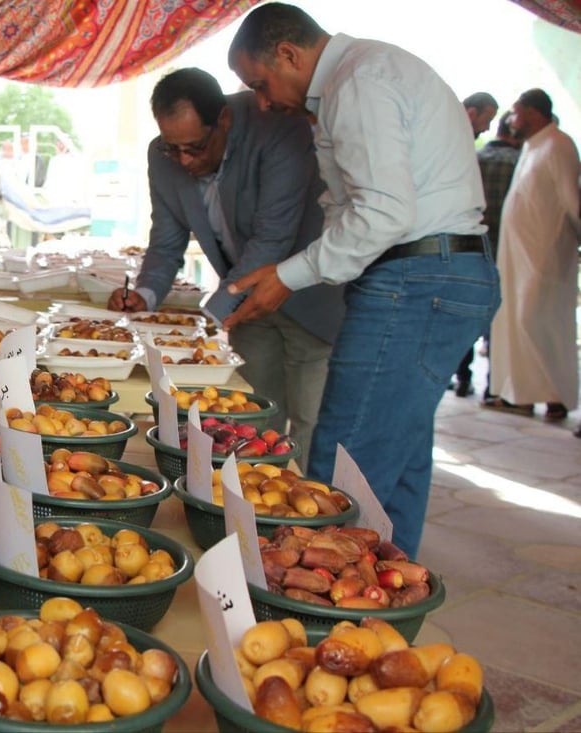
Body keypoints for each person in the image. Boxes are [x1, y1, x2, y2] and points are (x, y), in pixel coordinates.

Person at [225, 3, 500, 557]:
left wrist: (289, 275)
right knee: (393, 468)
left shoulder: (359, 81)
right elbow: (353, 206)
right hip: (435, 274)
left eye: (260, 83)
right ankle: (383, 612)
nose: (263, 101)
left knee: (344, 466)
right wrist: (288, 273)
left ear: (288, 54)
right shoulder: (365, 74)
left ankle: (328, 622)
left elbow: (383, 214)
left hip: (419, 281)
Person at [107, 68, 345, 470]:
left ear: (224, 121)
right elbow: (166, 239)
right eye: (172, 148)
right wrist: (144, 295)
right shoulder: (162, 156)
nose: (183, 160)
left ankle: (305, 520)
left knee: (310, 426)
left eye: (195, 147)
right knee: (251, 422)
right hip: (246, 311)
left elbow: (272, 240)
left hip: (311, 301)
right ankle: (251, 514)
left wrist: (203, 323)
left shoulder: (278, 133)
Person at [487, 89, 580, 423]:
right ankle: (521, 396)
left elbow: (572, 201)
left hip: (546, 254)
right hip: (519, 254)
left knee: (536, 322)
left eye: (516, 112)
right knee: (515, 320)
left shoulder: (559, 144)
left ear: (534, 112)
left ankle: (557, 396)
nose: (512, 120)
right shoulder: (532, 145)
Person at [453, 114, 521, 398]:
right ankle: (496, 386)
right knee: (500, 319)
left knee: (464, 318)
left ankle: (462, 378)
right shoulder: (521, 163)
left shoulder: (475, 158)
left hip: (472, 248)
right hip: (507, 251)